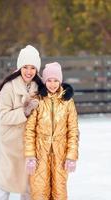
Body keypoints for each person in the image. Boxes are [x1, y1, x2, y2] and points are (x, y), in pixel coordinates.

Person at [24, 62, 79, 200]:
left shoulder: (67, 102)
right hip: (39, 154)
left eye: (56, 80)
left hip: (61, 155)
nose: (52, 84)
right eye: (49, 80)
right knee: (39, 189)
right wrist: (30, 155)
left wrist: (71, 156)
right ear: (44, 81)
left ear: (60, 81)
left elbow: (73, 130)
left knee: (59, 190)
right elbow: (29, 130)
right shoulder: (38, 100)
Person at [0, 45, 43, 200]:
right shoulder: (9, 87)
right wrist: (24, 111)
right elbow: (3, 116)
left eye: (32, 68)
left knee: (28, 185)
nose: (29, 71)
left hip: (29, 144)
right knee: (5, 184)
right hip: (9, 143)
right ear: (19, 67)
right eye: (25, 67)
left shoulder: (40, 87)